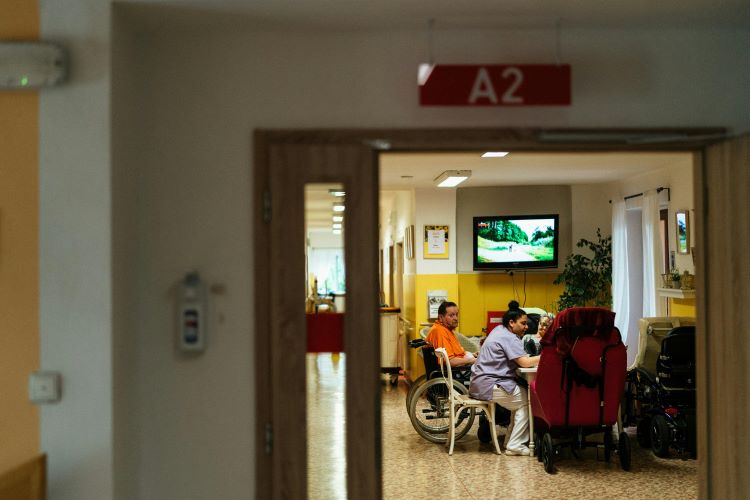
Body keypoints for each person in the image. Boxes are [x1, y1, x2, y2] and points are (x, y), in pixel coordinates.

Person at [469, 300, 539, 456]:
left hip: (480, 381)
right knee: (528, 402)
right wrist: (544, 357)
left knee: (521, 399)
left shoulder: (499, 330)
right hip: (489, 384)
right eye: (523, 323)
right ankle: (515, 444)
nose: (526, 327)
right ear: (511, 323)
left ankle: (511, 441)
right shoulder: (509, 337)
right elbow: (524, 363)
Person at [425, 301, 476, 367]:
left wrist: (473, 355)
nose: (456, 318)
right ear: (441, 318)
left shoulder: (447, 329)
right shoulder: (440, 331)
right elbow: (450, 361)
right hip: (456, 372)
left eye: (456, 315)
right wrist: (472, 360)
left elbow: (456, 353)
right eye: (451, 315)